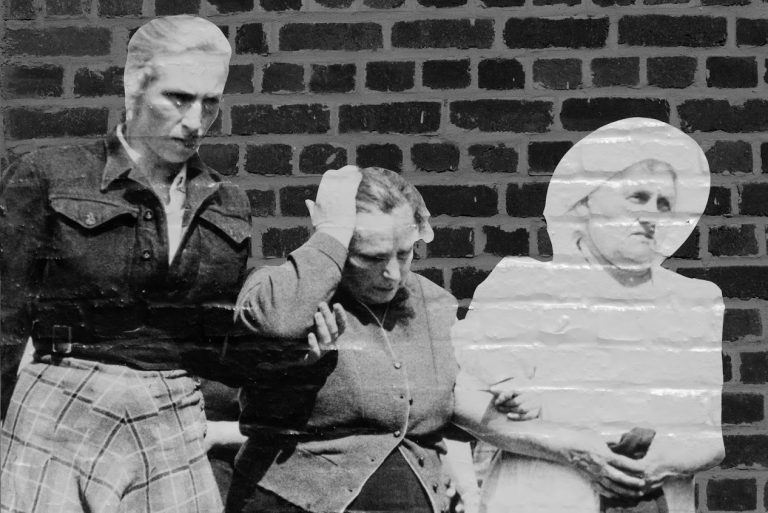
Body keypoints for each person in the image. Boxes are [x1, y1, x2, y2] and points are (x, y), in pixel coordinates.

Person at [0, 15, 340, 513]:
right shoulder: (49, 175)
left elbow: (218, 347)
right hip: (59, 407)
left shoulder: (227, 202)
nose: (196, 121)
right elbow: (4, 318)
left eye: (211, 102)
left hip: (171, 414)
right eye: (178, 98)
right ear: (134, 85)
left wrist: (299, 360)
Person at [452, 118, 724, 513]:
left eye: (664, 204)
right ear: (586, 199)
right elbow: (463, 403)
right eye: (638, 197)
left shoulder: (693, 301)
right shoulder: (522, 283)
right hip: (538, 498)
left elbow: (710, 439)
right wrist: (573, 448)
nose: (652, 215)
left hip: (654, 501)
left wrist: (657, 463)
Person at [227, 166, 464, 513]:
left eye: (404, 253)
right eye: (371, 257)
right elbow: (277, 324)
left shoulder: (434, 304)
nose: (392, 274)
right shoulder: (289, 293)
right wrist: (330, 235)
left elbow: (455, 407)